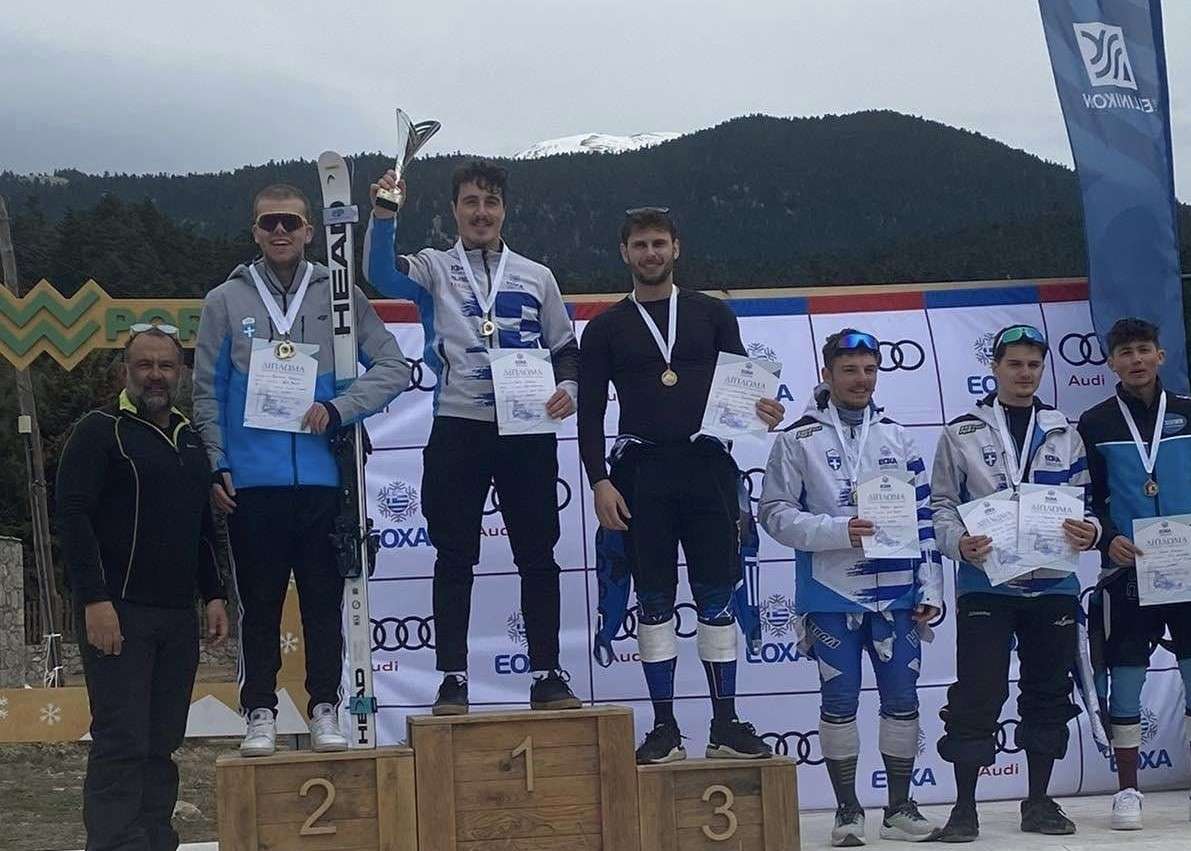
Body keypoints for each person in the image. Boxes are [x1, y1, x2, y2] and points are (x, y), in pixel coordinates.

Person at [193, 183, 411, 756]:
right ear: (254, 231)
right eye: (269, 223)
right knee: (258, 604)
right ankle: (259, 711)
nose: (280, 231)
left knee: (322, 602)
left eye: (290, 221)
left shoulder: (339, 293)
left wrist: (340, 408)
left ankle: (324, 708)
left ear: (310, 230)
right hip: (253, 480)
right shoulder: (225, 300)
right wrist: (217, 461)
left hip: (323, 477)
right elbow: (207, 391)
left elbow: (393, 366)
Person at [363, 162, 582, 714]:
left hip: (526, 430)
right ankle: (452, 678)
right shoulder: (434, 267)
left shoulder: (537, 275)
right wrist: (384, 215)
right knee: (454, 554)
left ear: (504, 210)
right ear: (454, 211)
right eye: (470, 202)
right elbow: (379, 273)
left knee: (538, 554)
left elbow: (565, 347)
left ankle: (548, 674)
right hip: (458, 427)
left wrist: (570, 388)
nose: (481, 213)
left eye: (490, 202)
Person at [577, 207, 783, 764]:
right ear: (624, 253)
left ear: (676, 248)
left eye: (659, 243)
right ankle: (664, 728)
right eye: (640, 245)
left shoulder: (711, 314)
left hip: (706, 467)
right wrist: (598, 480)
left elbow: (743, 388)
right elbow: (589, 413)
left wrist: (765, 410)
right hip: (641, 473)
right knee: (653, 601)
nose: (650, 253)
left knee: (717, 596)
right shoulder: (604, 327)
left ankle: (725, 724)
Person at [759, 329, 943, 846]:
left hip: (898, 593)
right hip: (830, 593)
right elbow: (773, 514)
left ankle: (900, 808)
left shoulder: (898, 435)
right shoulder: (797, 439)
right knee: (838, 701)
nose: (862, 380)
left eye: (869, 370)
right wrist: (839, 531)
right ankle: (847, 812)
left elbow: (924, 518)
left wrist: (931, 588)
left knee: (902, 699)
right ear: (827, 374)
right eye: (850, 370)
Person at [57, 325, 230, 851]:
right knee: (122, 738)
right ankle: (114, 843)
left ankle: (156, 839)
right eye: (144, 365)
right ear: (125, 371)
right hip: (118, 612)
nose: (155, 375)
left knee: (162, 739)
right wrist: (94, 599)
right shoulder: (99, 430)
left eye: (165, 366)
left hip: (176, 617)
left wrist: (214, 594)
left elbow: (201, 525)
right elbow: (73, 518)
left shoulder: (191, 439)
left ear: (181, 373)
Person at [930, 324, 1100, 841]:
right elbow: (941, 505)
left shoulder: (1065, 431)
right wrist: (958, 543)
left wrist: (1091, 531)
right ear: (995, 367)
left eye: (1034, 365)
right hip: (986, 584)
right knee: (978, 692)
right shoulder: (961, 431)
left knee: (1048, 691)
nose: (1025, 374)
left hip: (1053, 585)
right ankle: (964, 808)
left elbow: (1087, 504)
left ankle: (1039, 802)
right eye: (1015, 364)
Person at [1077, 317, 1191, 831]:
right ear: (1111, 363)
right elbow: (1086, 497)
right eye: (1125, 353)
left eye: (1144, 350)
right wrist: (1105, 538)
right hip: (1127, 569)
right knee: (1124, 681)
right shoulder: (1095, 422)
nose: (1136, 360)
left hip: (1188, 568)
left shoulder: (1188, 411)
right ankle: (1127, 791)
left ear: (1160, 355)